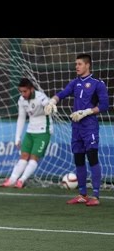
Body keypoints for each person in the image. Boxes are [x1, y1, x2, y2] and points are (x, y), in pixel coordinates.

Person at [44, 53, 109, 206]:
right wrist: (52, 101)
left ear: (87, 65)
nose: (77, 67)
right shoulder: (75, 83)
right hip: (76, 127)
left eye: (79, 64)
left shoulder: (97, 83)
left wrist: (86, 112)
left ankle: (96, 196)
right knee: (78, 159)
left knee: (92, 157)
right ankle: (82, 194)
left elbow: (105, 106)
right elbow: (62, 93)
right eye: (76, 64)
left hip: (90, 126)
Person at [0, 78, 53, 188]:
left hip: (43, 131)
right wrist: (17, 137)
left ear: (31, 89)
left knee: (34, 157)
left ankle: (22, 180)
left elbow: (48, 105)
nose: (23, 94)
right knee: (23, 156)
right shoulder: (21, 100)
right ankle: (12, 179)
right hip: (30, 131)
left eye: (25, 91)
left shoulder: (40, 97)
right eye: (21, 91)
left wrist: (48, 105)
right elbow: (21, 118)